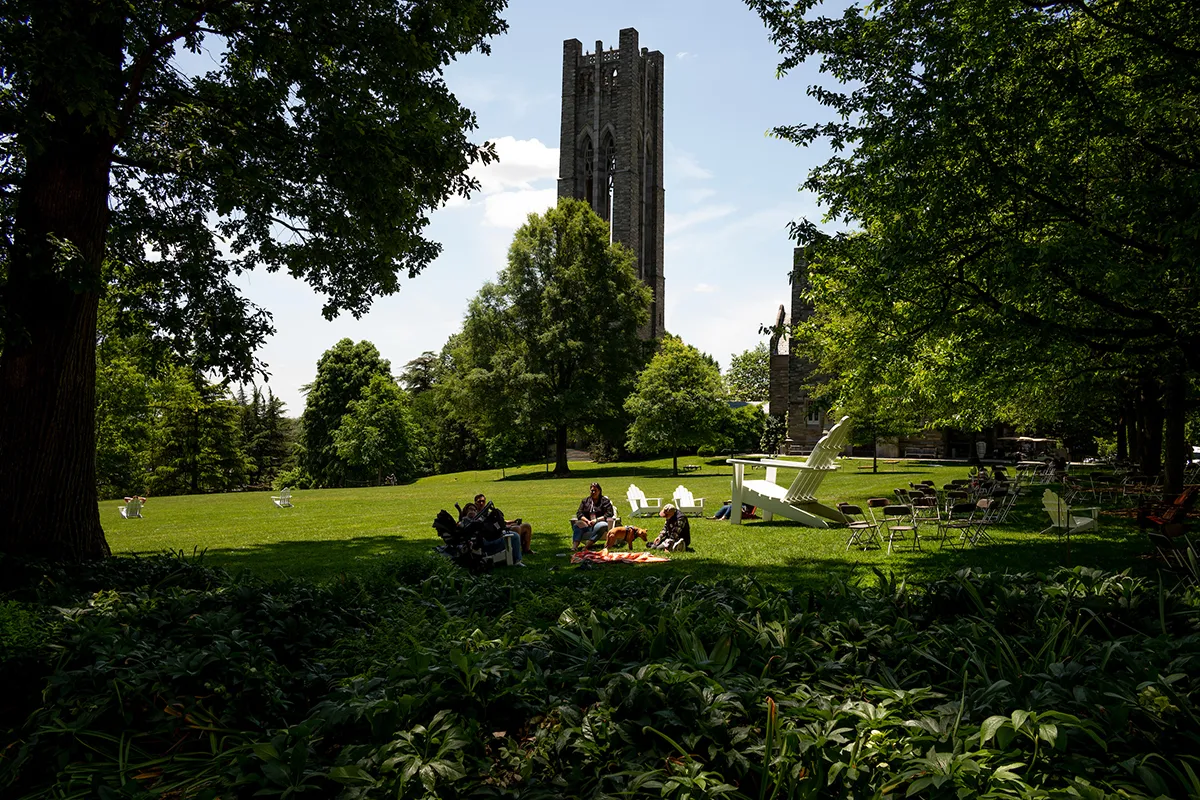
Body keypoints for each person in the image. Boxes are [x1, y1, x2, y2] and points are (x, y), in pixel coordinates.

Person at [572, 482, 615, 550]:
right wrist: (587, 521)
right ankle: (574, 547)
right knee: (577, 525)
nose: (593, 492)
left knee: (601, 525)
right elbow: (579, 513)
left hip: (599, 522)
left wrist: (596, 520)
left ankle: (587, 546)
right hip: (587, 523)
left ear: (599, 491)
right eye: (592, 490)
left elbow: (609, 513)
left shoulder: (605, 501)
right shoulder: (585, 501)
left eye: (595, 490)